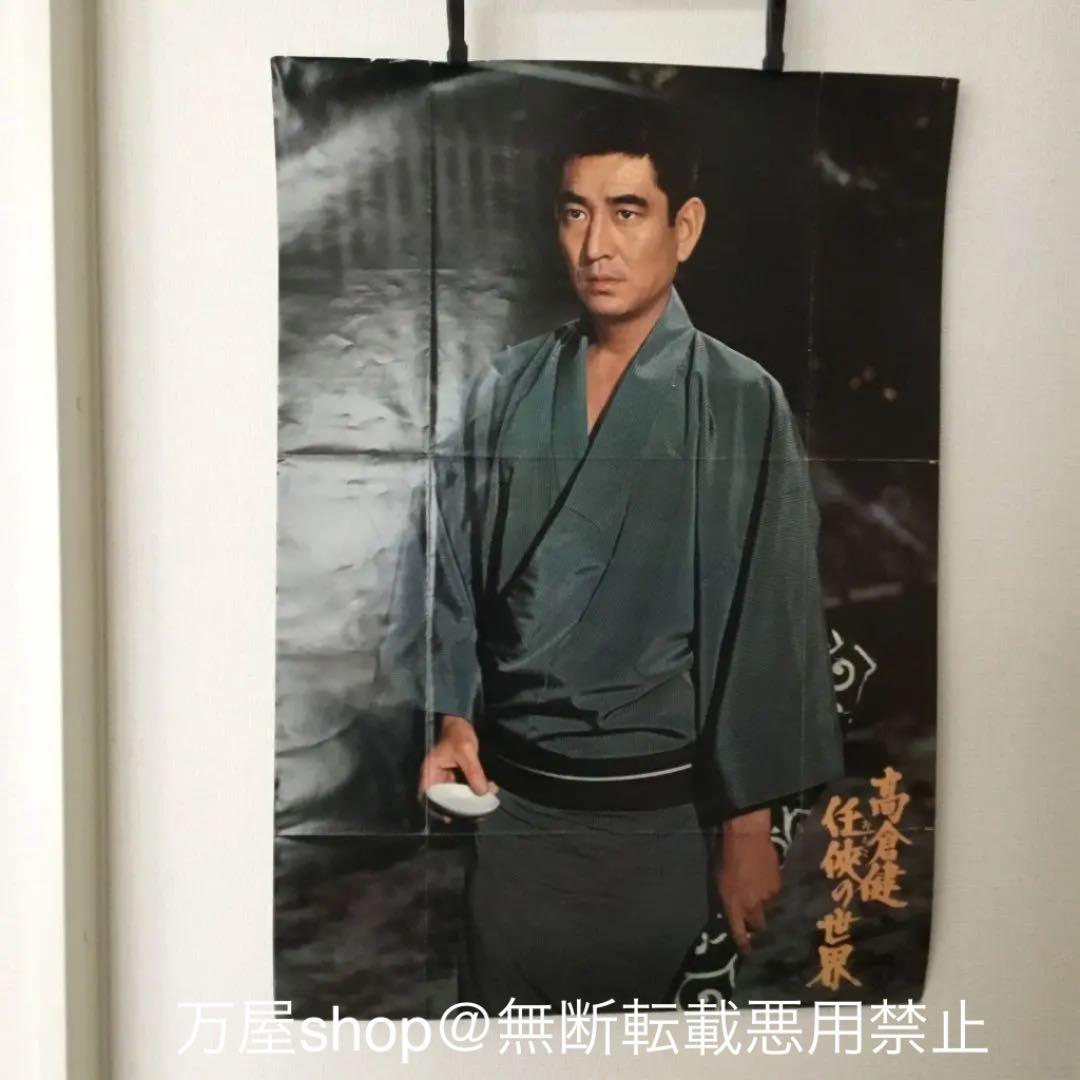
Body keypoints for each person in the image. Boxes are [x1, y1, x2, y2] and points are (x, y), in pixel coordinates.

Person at [405, 95, 843, 1011]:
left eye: (628, 211)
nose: (596, 245)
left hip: (656, 822)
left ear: (685, 228)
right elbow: (447, 570)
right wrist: (453, 717)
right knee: (504, 1048)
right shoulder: (508, 385)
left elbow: (766, 621)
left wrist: (746, 828)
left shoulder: (738, 398)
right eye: (576, 212)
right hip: (514, 811)